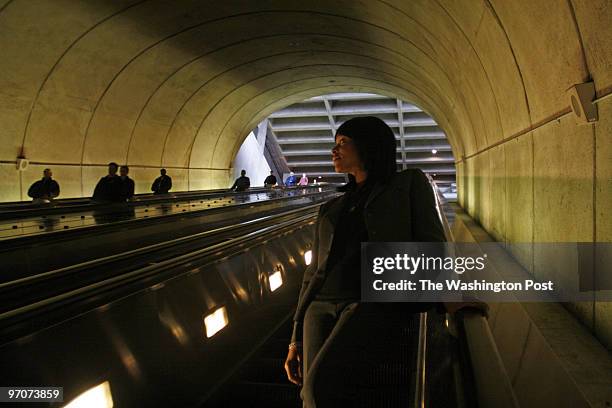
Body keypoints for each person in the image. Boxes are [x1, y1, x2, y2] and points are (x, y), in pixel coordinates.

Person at [283, 116, 482, 407]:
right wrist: (294, 337)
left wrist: (447, 294)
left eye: (342, 143)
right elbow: (312, 272)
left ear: (368, 145)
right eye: (334, 144)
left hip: (368, 302)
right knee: (309, 396)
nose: (333, 150)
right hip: (319, 305)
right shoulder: (331, 206)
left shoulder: (408, 183)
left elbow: (432, 243)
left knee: (318, 388)